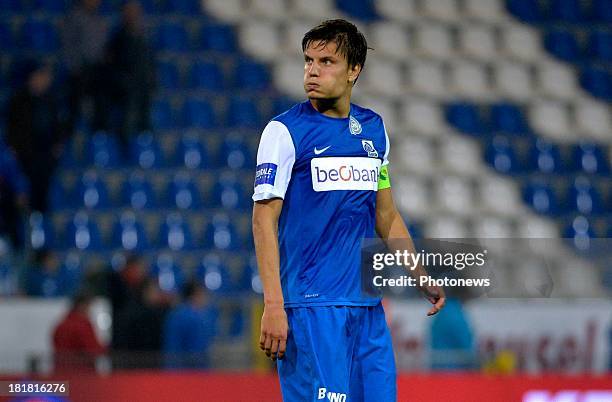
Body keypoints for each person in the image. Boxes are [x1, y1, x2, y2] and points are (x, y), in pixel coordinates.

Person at [251, 19, 445, 401]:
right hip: (311, 310)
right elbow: (263, 220)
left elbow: (386, 215)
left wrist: (420, 274)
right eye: (308, 60)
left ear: (354, 70)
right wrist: (273, 304)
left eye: (326, 61)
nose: (312, 70)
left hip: (367, 310)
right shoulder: (283, 132)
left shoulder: (374, 131)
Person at [6, 61, 66, 213]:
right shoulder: (18, 101)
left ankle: (41, 223)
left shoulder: (52, 100)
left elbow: (58, 127)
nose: (45, 80)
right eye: (41, 75)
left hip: (45, 158)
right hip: (24, 158)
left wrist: (57, 145)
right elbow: (13, 131)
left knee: (42, 198)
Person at [105, 0, 155, 154]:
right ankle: (126, 154)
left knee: (145, 123)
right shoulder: (117, 37)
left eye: (136, 10)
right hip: (126, 89)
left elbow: (150, 61)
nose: (133, 14)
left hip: (143, 87)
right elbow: (112, 64)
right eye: (130, 11)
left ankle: (144, 153)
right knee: (126, 122)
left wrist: (151, 81)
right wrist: (123, 82)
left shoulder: (143, 35)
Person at [62, 0, 110, 133]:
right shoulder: (74, 17)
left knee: (100, 109)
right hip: (79, 71)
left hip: (98, 71)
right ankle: (67, 140)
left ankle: (99, 140)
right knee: (74, 110)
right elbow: (68, 45)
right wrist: (75, 68)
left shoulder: (99, 19)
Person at [162, 281, 218, 369]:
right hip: (189, 371)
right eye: (203, 294)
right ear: (195, 295)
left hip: (178, 367)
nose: (205, 298)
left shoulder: (175, 314)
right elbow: (196, 350)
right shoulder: (194, 318)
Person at [52, 290, 106, 372]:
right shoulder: (82, 325)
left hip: (61, 373)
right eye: (89, 306)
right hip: (81, 374)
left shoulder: (60, 325)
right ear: (82, 306)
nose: (90, 311)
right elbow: (93, 349)